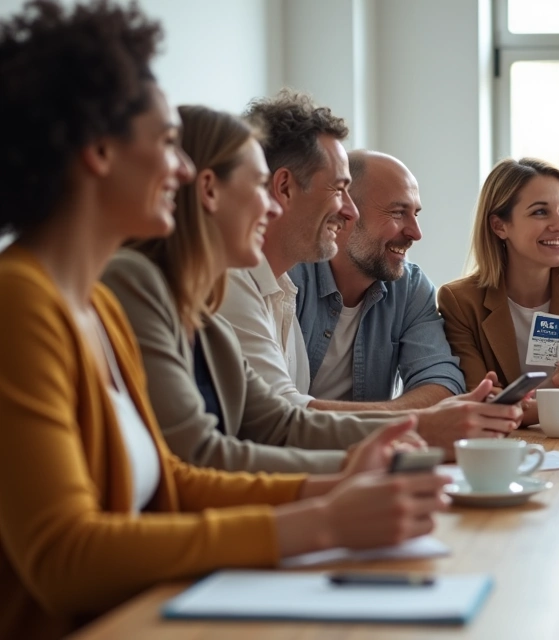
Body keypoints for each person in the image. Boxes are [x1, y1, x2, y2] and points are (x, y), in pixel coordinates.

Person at [0, 2, 446, 638]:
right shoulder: (20, 303)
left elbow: (174, 482)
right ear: (98, 150)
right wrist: (319, 521)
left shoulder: (95, 307)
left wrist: (339, 481)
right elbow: (65, 560)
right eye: (165, 144)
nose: (183, 170)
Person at [102, 106, 415, 473]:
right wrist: (358, 469)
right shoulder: (136, 281)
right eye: (258, 186)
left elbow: (280, 423)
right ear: (208, 190)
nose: (271, 208)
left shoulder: (216, 319)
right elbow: (198, 458)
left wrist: (401, 441)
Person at [216, 91, 520, 452]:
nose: (347, 212)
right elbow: (282, 423)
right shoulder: (239, 279)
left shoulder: (280, 287)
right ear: (283, 188)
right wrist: (419, 425)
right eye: (338, 190)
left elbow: (284, 423)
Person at [439, 157, 559, 425]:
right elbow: (480, 405)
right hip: (500, 444)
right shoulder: (460, 301)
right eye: (540, 212)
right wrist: (554, 397)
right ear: (499, 226)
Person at [292, 150, 465, 407]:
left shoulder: (410, 288)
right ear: (343, 214)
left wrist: (375, 420)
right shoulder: (289, 277)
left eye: (415, 214)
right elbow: (270, 405)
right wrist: (384, 418)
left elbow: (441, 384)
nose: (416, 233)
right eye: (398, 213)